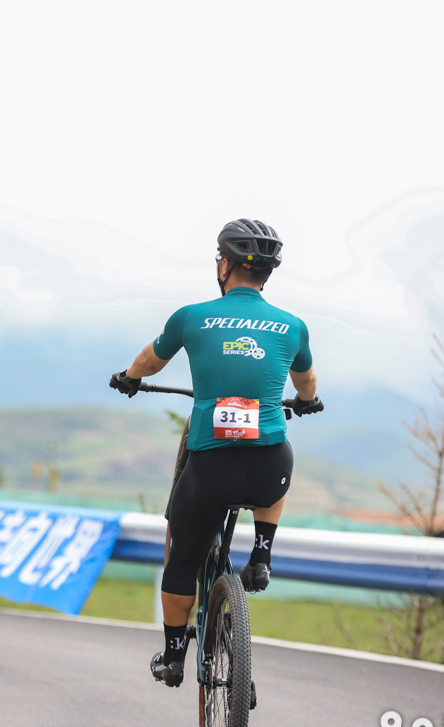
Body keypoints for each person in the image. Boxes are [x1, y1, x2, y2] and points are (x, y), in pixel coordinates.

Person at [109, 219, 323, 688]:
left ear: (224, 266)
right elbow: (306, 384)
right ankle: (261, 554)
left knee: (183, 559)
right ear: (266, 275)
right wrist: (306, 403)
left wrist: (129, 377)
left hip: (210, 469)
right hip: (269, 469)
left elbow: (150, 360)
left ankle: (172, 656)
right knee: (277, 453)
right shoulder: (292, 327)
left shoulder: (192, 317)